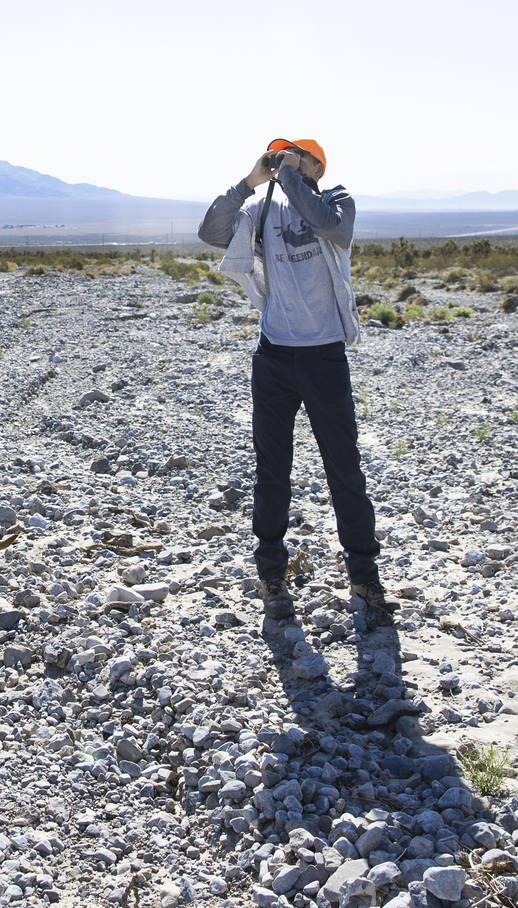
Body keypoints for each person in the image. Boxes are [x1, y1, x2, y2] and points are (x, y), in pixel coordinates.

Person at [197, 139, 393, 627]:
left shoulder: (337, 200)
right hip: (275, 358)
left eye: (294, 153)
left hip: (324, 356)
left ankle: (365, 578)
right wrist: (249, 182)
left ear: (318, 165)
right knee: (272, 471)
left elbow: (331, 227)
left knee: (344, 469)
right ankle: (272, 579)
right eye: (277, 153)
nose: (283, 158)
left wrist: (288, 176)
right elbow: (212, 231)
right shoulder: (262, 211)